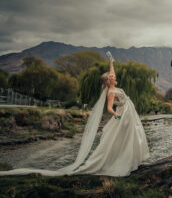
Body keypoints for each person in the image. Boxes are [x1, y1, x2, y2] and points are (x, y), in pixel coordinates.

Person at [0, 57, 149, 177]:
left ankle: (132, 160)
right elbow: (109, 107)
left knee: (132, 135)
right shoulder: (110, 92)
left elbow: (111, 73)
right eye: (112, 77)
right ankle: (122, 161)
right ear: (109, 81)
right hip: (124, 115)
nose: (115, 77)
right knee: (125, 138)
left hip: (130, 113)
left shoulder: (113, 86)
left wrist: (111, 63)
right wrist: (116, 114)